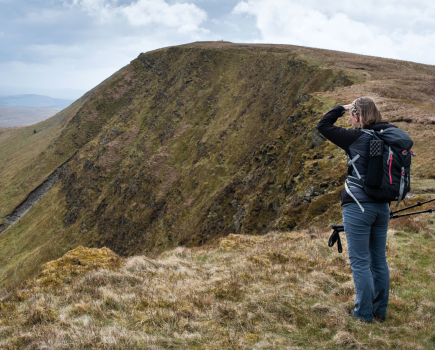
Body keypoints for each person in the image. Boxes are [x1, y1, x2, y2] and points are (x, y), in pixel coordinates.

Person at [316, 97, 396, 323]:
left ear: (357, 116)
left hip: (358, 206)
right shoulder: (387, 136)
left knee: (360, 261)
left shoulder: (356, 138)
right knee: (379, 260)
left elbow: (323, 126)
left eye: (352, 115)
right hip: (382, 207)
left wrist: (342, 107)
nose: (350, 119)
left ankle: (362, 315)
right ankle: (379, 311)